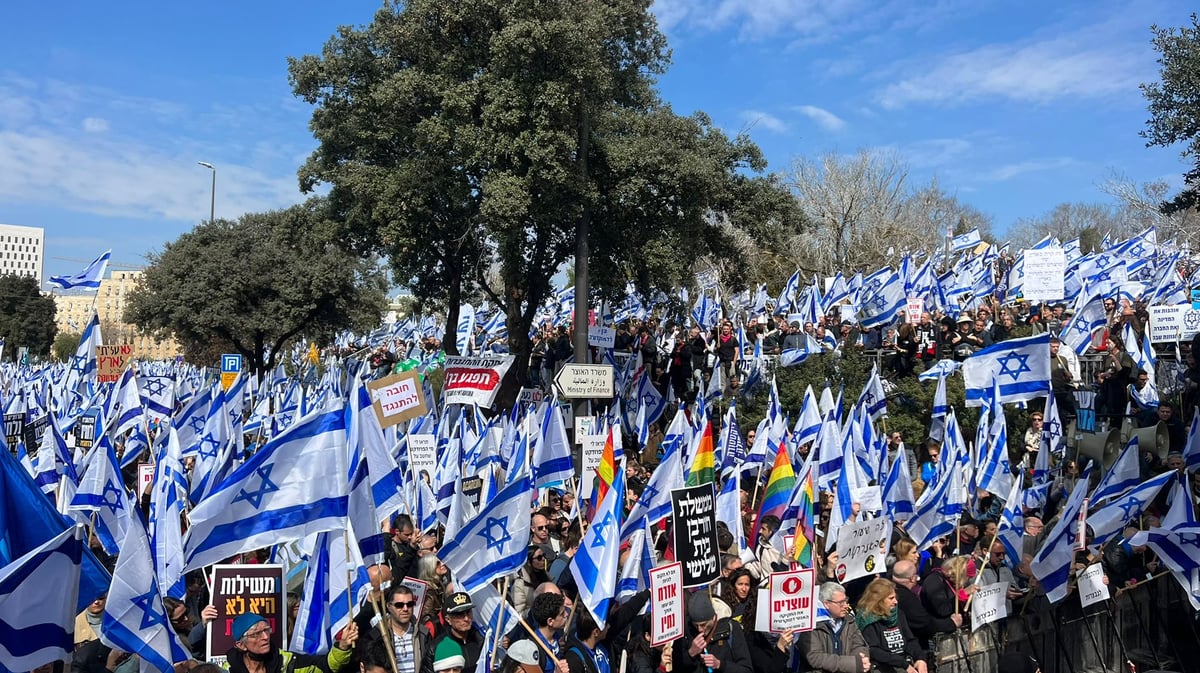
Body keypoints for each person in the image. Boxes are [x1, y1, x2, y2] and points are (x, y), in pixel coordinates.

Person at [221, 612, 357, 673]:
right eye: (256, 634)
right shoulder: (226, 671)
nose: (265, 637)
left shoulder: (287, 663)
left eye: (267, 630)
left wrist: (343, 646)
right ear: (241, 645)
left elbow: (326, 666)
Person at [854, 579, 927, 673]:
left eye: (895, 597)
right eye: (891, 598)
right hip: (881, 667)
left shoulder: (898, 614)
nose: (896, 601)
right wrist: (902, 664)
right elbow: (873, 650)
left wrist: (920, 658)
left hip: (903, 663)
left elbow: (909, 640)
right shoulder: (867, 618)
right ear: (879, 600)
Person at [670, 591, 753, 673]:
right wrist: (690, 653)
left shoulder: (731, 628)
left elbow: (746, 669)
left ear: (713, 618)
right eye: (696, 625)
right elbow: (675, 667)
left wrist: (720, 665)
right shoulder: (685, 630)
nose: (700, 629)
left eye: (704, 625)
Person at [798, 582, 870, 673]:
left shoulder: (849, 621)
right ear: (826, 604)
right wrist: (851, 664)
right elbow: (814, 657)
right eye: (841, 602)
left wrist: (860, 660)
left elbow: (860, 645)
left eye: (846, 600)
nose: (845, 606)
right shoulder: (812, 625)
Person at [359, 584, 430, 673]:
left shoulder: (423, 633)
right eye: (399, 605)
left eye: (410, 604)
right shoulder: (376, 635)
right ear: (388, 606)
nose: (405, 609)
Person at [889, 560, 959, 647]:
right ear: (912, 578)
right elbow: (924, 623)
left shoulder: (888, 589)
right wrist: (951, 623)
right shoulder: (906, 598)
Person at [427, 593, 484, 673]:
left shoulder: (482, 641)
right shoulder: (435, 647)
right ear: (448, 619)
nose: (466, 618)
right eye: (460, 614)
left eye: (468, 612)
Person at [511, 545, 552, 616]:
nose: (543, 559)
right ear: (529, 562)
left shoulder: (546, 576)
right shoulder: (520, 585)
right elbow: (519, 613)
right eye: (539, 558)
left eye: (543, 555)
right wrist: (540, 610)